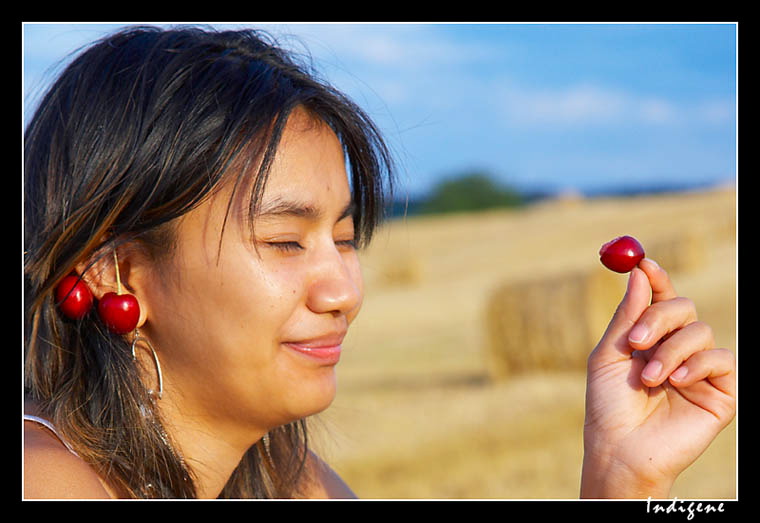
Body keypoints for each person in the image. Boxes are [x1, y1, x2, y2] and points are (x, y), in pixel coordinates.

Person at [23, 25, 736, 500]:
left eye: (345, 235)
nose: (345, 289)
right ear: (114, 271)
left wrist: (618, 480)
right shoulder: (45, 481)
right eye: (284, 240)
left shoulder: (282, 476)